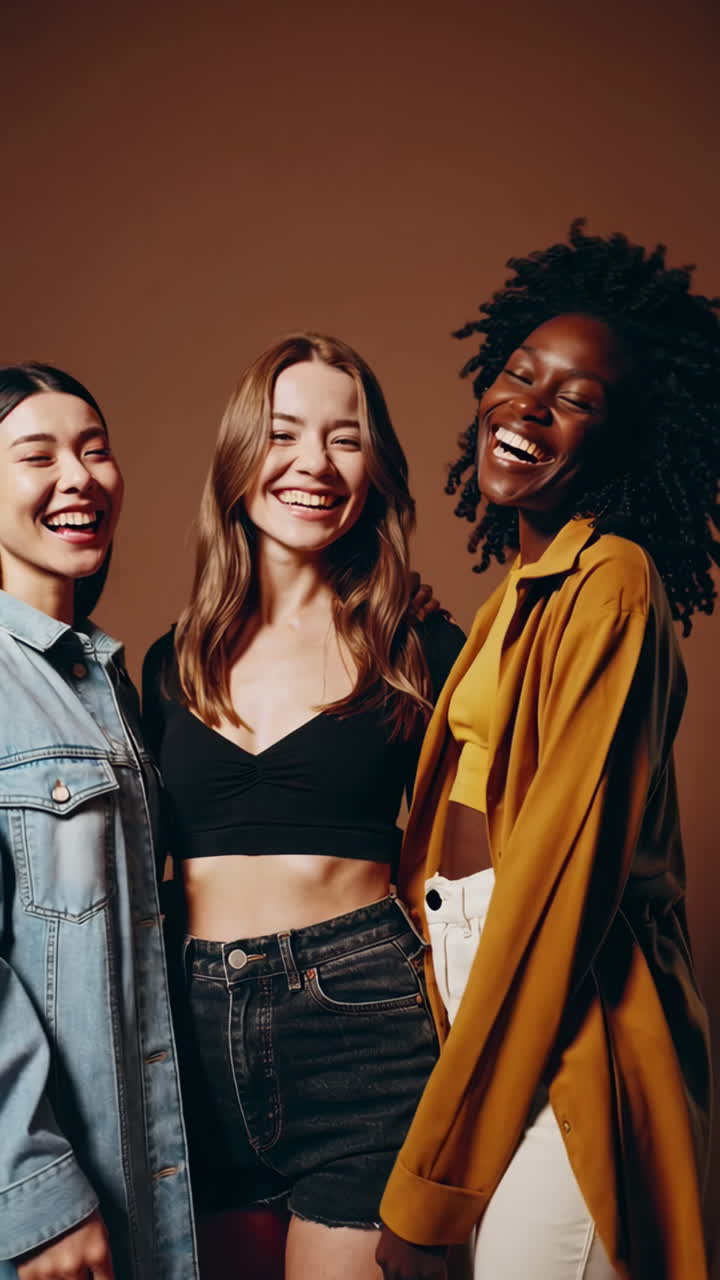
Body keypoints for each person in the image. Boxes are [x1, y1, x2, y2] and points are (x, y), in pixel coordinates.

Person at [376, 221, 718, 1280]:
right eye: (520, 374)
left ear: (624, 443)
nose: (527, 405)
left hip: (570, 1029)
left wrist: (431, 1190)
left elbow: (555, 894)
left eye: (575, 398)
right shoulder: (511, 605)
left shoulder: (613, 580)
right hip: (489, 1003)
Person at [142, 332, 465, 1280]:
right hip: (185, 1041)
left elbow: (484, 865)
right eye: (284, 433)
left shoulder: (424, 651)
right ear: (241, 457)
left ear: (377, 469)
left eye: (346, 437)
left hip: (362, 1022)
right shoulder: (170, 662)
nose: (313, 464)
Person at [0, 365, 197, 1280]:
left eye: (95, 450)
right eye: (36, 455)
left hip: (134, 1184)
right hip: (44, 1216)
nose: (78, 476)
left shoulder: (106, 683)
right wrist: (32, 1190)